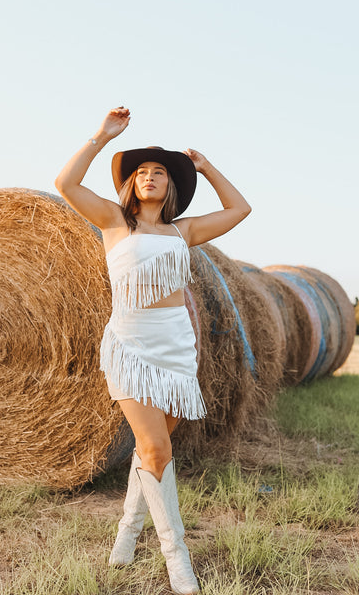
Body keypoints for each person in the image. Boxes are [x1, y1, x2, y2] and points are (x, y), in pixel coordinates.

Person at [55, 106, 251, 595]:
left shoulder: (183, 232)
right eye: (142, 172)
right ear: (131, 184)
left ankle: (126, 531)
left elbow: (240, 210)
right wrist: (101, 136)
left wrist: (206, 167)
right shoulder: (114, 223)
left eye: (159, 173)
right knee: (157, 449)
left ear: (171, 187)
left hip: (178, 348)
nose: (149, 177)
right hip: (131, 345)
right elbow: (66, 183)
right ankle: (175, 556)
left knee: (151, 454)